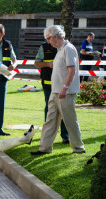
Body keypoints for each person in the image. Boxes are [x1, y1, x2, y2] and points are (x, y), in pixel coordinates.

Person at [31, 25, 86, 155]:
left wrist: (65, 88)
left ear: (56, 36)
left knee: (70, 121)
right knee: (50, 120)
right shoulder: (60, 49)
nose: (48, 42)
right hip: (55, 92)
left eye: (48, 39)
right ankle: (44, 148)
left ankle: (78, 148)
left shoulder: (68, 49)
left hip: (65, 92)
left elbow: (72, 70)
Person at [34, 42, 70, 144]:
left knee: (63, 108)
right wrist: (48, 64)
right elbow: (36, 63)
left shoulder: (64, 47)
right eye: (49, 37)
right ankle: (47, 135)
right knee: (49, 108)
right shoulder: (44, 47)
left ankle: (65, 136)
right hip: (48, 84)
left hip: (61, 84)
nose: (51, 39)